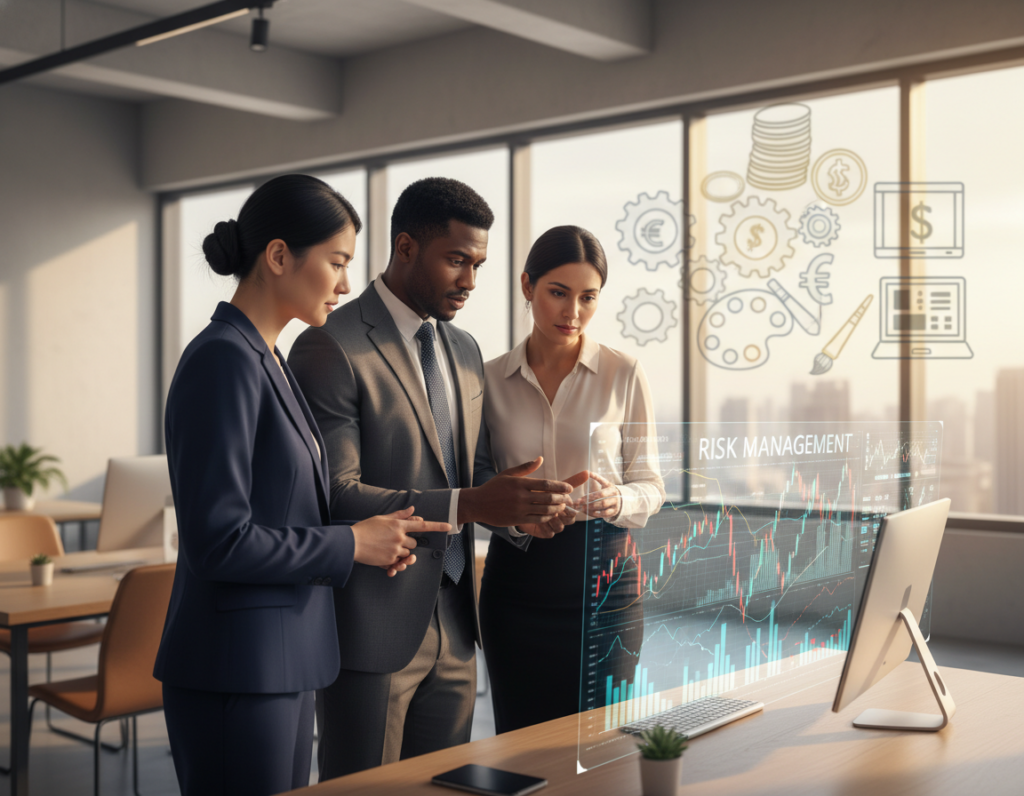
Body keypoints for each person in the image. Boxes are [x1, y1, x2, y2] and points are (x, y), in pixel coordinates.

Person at [154, 174, 450, 796]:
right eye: (337, 262)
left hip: (280, 656)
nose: (346, 284)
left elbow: (286, 508)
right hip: (237, 666)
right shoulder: (222, 361)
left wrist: (366, 536)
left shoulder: (270, 360)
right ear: (280, 256)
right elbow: (219, 542)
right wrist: (351, 545)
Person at [288, 177, 579, 779]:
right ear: (405, 248)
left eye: (478, 264)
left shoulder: (466, 349)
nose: (470, 280)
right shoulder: (329, 346)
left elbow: (469, 470)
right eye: (456, 260)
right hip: (374, 625)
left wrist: (525, 510)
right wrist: (473, 503)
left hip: (456, 617)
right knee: (362, 788)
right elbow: (336, 495)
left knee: (445, 787)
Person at [477, 225, 666, 734]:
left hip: (607, 583)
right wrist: (518, 513)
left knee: (600, 743)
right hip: (517, 584)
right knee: (519, 741)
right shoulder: (487, 379)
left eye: (588, 298)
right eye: (558, 293)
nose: (572, 312)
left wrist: (615, 498)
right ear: (527, 287)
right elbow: (478, 483)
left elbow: (651, 484)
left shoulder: (623, 372)